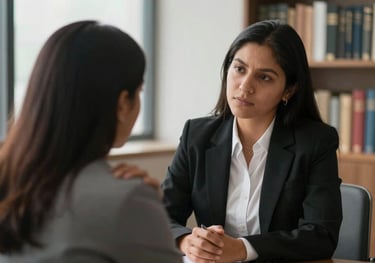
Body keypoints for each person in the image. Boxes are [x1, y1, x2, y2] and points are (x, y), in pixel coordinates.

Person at [0, 20, 182, 263]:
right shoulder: (128, 201)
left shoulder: (10, 181)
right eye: (139, 92)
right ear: (122, 104)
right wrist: (148, 210)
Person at [161, 20, 342, 263]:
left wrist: (243, 248)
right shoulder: (197, 135)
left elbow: (321, 236)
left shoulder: (316, 142)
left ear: (288, 90)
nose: (245, 87)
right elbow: (163, 216)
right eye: (239, 69)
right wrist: (186, 241)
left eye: (264, 77)